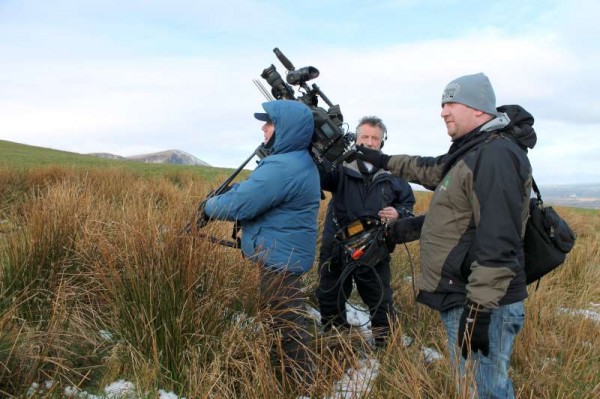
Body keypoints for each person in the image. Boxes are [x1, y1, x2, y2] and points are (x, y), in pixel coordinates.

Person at [356, 73, 537, 398]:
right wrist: (381, 160)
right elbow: (430, 170)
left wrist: (479, 313)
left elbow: (499, 240)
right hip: (467, 294)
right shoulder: (472, 150)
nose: (443, 111)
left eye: (451, 102)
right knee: (476, 386)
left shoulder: (494, 156)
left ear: (479, 110)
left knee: (485, 390)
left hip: (482, 301)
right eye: (442, 104)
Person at [203, 100, 320, 391]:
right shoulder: (293, 161)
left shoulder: (283, 166)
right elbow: (255, 191)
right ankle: (290, 380)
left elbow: (242, 205)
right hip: (283, 256)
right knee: (282, 320)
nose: (264, 128)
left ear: (287, 130)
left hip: (280, 260)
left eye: (270, 123)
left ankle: (300, 386)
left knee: (286, 325)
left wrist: (207, 206)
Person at [315, 116, 415, 346]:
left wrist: (398, 213)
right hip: (336, 245)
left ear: (382, 142)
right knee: (330, 295)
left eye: (374, 138)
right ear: (356, 139)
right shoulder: (339, 166)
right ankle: (336, 341)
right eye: (364, 137)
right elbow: (322, 177)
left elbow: (407, 205)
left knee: (380, 299)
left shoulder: (394, 174)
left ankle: (385, 346)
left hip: (374, 248)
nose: (369, 142)